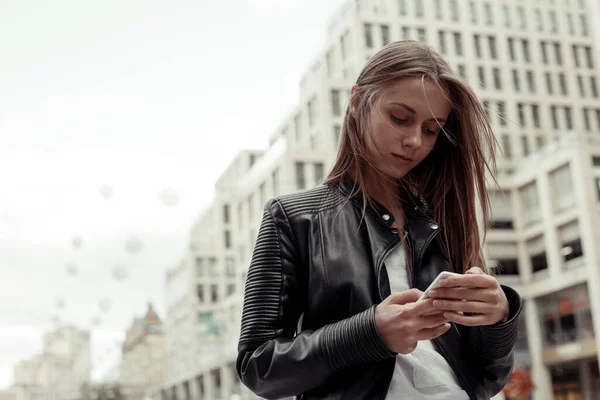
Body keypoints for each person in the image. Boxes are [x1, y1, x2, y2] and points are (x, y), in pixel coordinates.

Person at [236, 40, 522, 400]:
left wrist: (498, 318)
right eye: (400, 118)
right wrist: (370, 334)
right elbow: (257, 367)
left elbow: (488, 378)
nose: (414, 140)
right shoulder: (294, 218)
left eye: (432, 130)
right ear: (357, 101)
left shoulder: (445, 222)